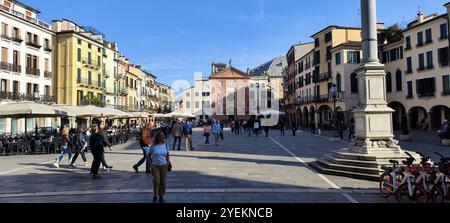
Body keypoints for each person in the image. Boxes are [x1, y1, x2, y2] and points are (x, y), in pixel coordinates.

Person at [148, 131, 171, 203]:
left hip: (164, 165)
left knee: (163, 181)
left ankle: (161, 195)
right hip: (155, 166)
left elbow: (167, 154)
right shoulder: (153, 145)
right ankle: (155, 195)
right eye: (161, 135)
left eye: (163, 135)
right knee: (156, 181)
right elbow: (149, 155)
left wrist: (167, 163)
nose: (163, 136)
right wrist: (151, 163)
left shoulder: (166, 144)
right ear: (157, 136)